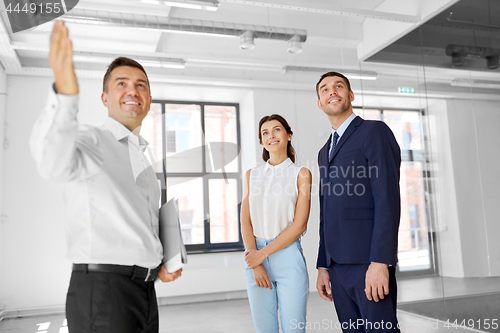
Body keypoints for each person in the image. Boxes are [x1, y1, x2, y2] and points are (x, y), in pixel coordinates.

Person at [30, 20, 182, 333]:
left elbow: (140, 224)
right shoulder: (92, 140)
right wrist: (65, 94)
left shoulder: (142, 159)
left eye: (141, 85)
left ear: (149, 100)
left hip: (144, 291)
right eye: (121, 83)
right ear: (105, 98)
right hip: (103, 291)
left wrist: (162, 261)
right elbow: (51, 162)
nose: (133, 90)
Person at [314, 72, 401, 332]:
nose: (332, 91)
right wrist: (322, 264)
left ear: (350, 95)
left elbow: (387, 199)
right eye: (325, 89)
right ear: (320, 103)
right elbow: (325, 211)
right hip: (336, 267)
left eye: (338, 86)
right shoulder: (324, 151)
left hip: (367, 262)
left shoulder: (374, 132)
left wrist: (380, 261)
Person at [240, 114, 312, 333]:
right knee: (265, 330)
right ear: (261, 142)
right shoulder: (251, 175)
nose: (271, 135)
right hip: (254, 257)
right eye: (265, 133)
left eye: (277, 130)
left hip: (288, 258)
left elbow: (299, 225)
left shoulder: (301, 174)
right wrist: (255, 259)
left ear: (288, 135)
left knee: (294, 329)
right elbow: (245, 220)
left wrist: (261, 256)